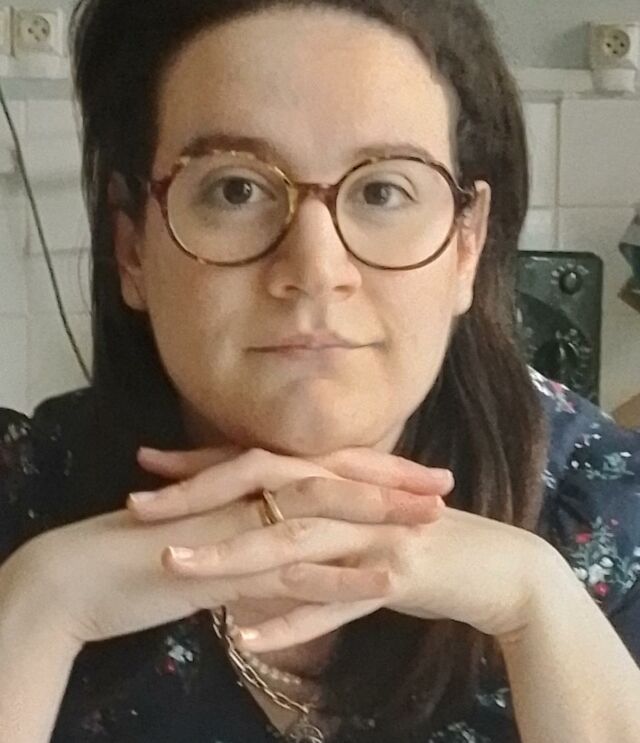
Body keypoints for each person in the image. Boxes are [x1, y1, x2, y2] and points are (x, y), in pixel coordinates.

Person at [1, 0, 639, 741]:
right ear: (132, 247)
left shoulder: (610, 517)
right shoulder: (24, 505)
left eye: (382, 191)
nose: (315, 269)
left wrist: (540, 608)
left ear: (467, 245)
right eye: (235, 189)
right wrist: (38, 610)